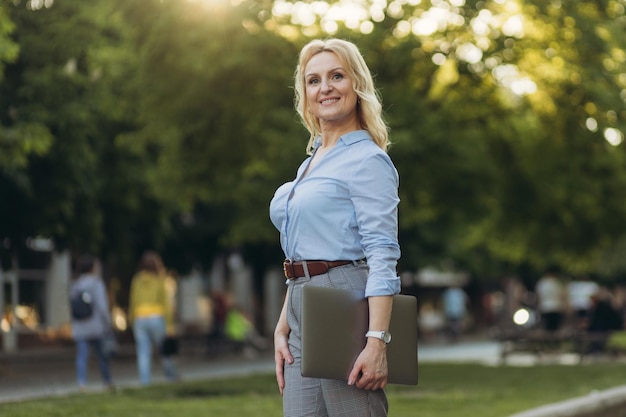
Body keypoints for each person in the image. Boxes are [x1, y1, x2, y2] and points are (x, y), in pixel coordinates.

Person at [269, 38, 401, 417]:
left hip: (343, 299)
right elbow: (303, 254)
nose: (324, 87)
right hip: (299, 302)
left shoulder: (368, 159)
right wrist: (283, 325)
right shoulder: (310, 162)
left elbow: (382, 254)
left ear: (356, 84)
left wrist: (377, 342)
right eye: (313, 80)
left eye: (336, 76)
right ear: (305, 93)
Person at [128, 250, 178, 385]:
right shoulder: (159, 280)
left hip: (140, 317)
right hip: (156, 317)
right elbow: (165, 304)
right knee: (164, 350)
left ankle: (145, 381)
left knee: (143, 352)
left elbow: (133, 301)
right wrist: (169, 325)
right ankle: (171, 376)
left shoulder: (137, 280)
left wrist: (132, 320)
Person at [69, 254, 114, 390]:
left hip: (80, 326)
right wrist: (108, 322)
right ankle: (107, 381)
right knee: (102, 355)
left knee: (82, 356)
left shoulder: (75, 284)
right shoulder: (96, 283)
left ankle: (82, 382)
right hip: (96, 325)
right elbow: (102, 306)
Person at [535, 268, 567, 332]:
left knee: (546, 328)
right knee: (555, 328)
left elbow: (538, 296)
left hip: (545, 307)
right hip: (556, 307)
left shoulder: (542, 283)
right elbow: (563, 296)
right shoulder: (558, 283)